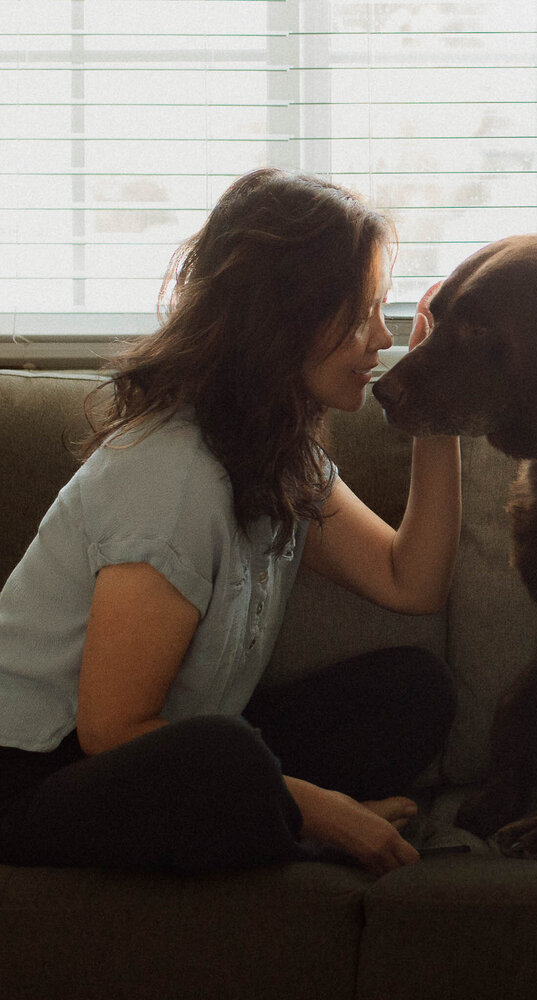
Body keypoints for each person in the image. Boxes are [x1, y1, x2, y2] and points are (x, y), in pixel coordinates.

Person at [0, 168, 461, 877]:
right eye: (363, 311)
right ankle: (299, 826)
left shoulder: (279, 453)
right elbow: (110, 729)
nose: (382, 338)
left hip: (169, 751)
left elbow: (411, 581)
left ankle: (273, 817)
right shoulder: (174, 474)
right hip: (35, 777)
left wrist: (437, 408)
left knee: (414, 690)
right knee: (227, 758)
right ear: (288, 318)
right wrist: (322, 806)